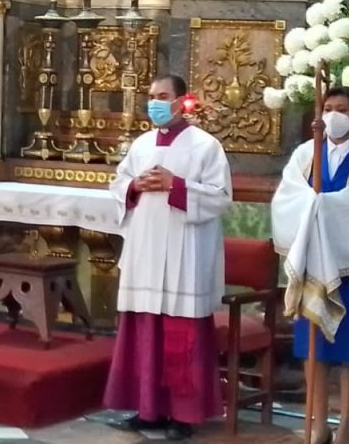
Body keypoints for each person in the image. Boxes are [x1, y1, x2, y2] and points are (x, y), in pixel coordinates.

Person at [104, 74, 233, 441]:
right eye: (151, 97)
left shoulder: (206, 146)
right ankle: (147, 411)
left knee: (182, 336)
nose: (155, 103)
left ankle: (183, 415)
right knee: (145, 331)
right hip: (146, 248)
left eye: (162, 96)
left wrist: (176, 185)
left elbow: (220, 196)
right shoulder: (141, 144)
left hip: (184, 252)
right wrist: (134, 186)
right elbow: (119, 183)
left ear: (182, 101)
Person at [271, 87, 349, 444]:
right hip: (313, 264)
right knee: (315, 347)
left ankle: (345, 429)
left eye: (341, 109)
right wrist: (311, 206)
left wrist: (323, 207)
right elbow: (289, 197)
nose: (333, 115)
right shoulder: (306, 153)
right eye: (328, 108)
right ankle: (318, 423)